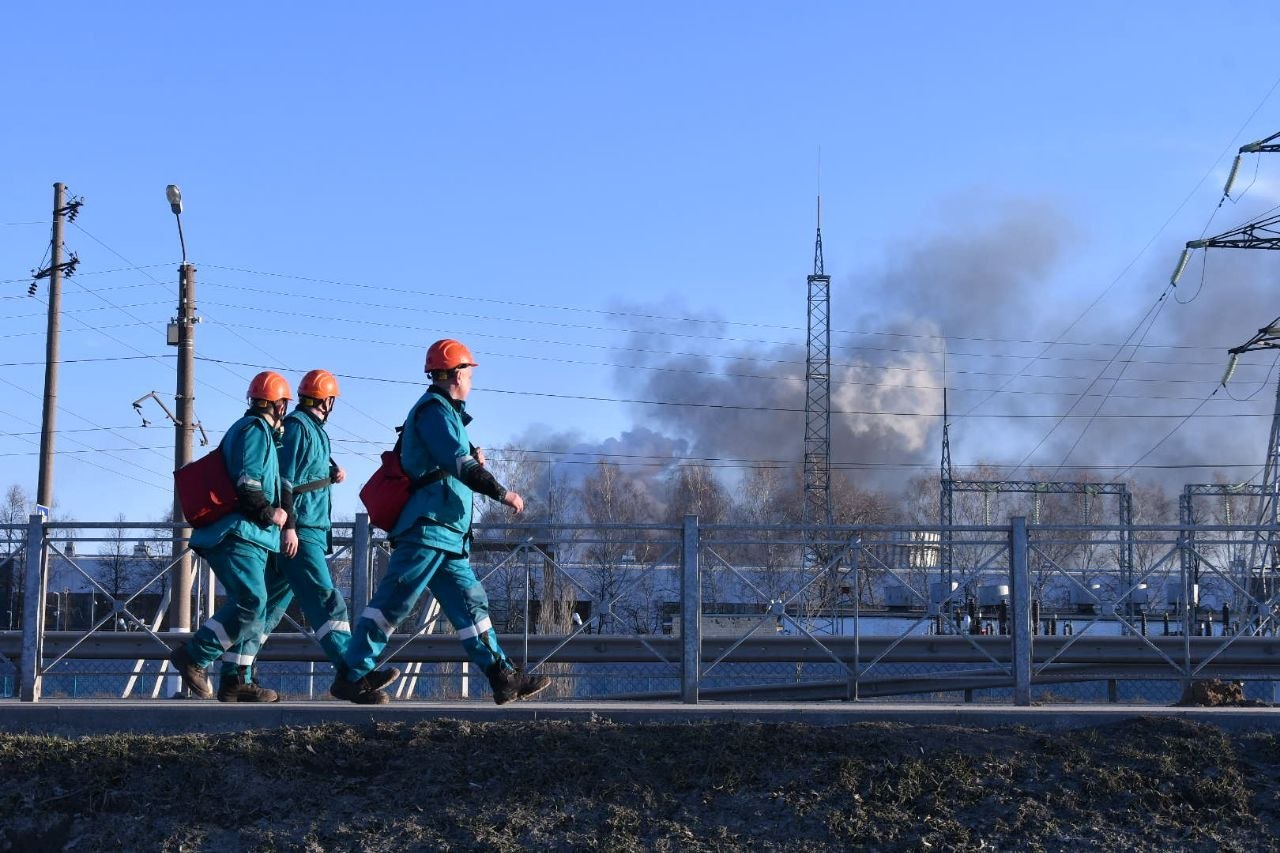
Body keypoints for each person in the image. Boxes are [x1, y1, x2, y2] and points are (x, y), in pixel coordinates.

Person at [332, 339, 551, 705]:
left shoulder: (446, 414)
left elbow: (453, 462)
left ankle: (503, 677)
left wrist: (471, 460)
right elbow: (460, 466)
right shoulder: (434, 410)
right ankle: (352, 674)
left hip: (446, 533)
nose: (471, 379)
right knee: (395, 601)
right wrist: (503, 493)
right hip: (427, 528)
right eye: (468, 371)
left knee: (471, 605)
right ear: (455, 374)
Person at [246, 369, 399, 704]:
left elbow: (302, 471)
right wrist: (290, 528)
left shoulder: (310, 430)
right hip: (301, 532)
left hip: (303, 530)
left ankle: (238, 677)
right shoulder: (301, 428)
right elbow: (284, 480)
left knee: (266, 608)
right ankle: (352, 674)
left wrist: (329, 472)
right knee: (328, 601)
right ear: (327, 400)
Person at [168, 371, 294, 702]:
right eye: (285, 405)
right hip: (238, 533)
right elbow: (248, 484)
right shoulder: (254, 431)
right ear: (279, 405)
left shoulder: (257, 431)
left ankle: (236, 680)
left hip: (248, 535)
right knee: (251, 602)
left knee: (256, 605)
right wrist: (272, 513)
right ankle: (194, 655)